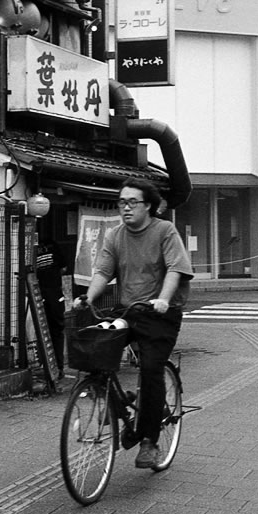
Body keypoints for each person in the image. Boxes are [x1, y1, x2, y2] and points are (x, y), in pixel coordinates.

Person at [79, 177, 193, 469]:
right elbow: (103, 272)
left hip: (160, 314)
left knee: (151, 369)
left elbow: (174, 269)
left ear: (149, 206)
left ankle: (149, 441)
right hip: (130, 310)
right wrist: (88, 298)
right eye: (121, 202)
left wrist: (164, 299)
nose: (126, 208)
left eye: (133, 202)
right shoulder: (115, 235)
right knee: (97, 349)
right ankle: (116, 399)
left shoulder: (164, 230)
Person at [34, 237, 67, 377]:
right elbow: (64, 268)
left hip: (37, 292)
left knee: (41, 329)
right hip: (55, 292)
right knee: (57, 330)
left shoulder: (32, 248)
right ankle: (58, 368)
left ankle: (45, 365)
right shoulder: (54, 245)